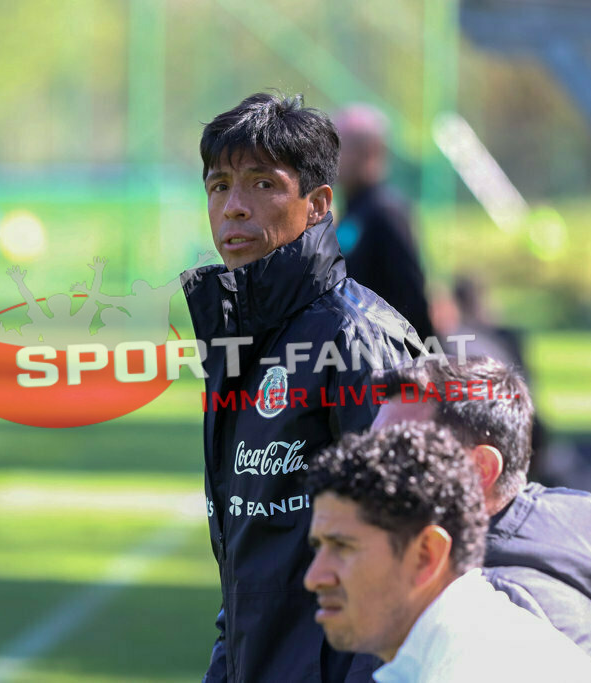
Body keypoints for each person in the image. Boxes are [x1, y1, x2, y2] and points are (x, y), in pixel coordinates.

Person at [181, 92, 419, 682]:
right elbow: (249, 560)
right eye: (219, 186)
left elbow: (404, 553)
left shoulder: (358, 339)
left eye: (263, 184)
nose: (234, 207)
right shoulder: (239, 333)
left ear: (317, 205)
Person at [373, 357, 591, 682]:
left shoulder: (492, 603)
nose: (370, 471)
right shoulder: (541, 553)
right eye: (369, 449)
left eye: (397, 454)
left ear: (479, 470)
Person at [304, 422, 591, 682]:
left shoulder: (477, 670)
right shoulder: (469, 641)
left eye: (343, 547)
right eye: (318, 547)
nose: (314, 578)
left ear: (427, 554)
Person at [333, 104, 433, 339]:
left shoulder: (385, 211)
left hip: (384, 359)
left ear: (370, 151)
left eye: (340, 148)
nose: (331, 158)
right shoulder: (353, 211)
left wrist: (421, 359)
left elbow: (412, 296)